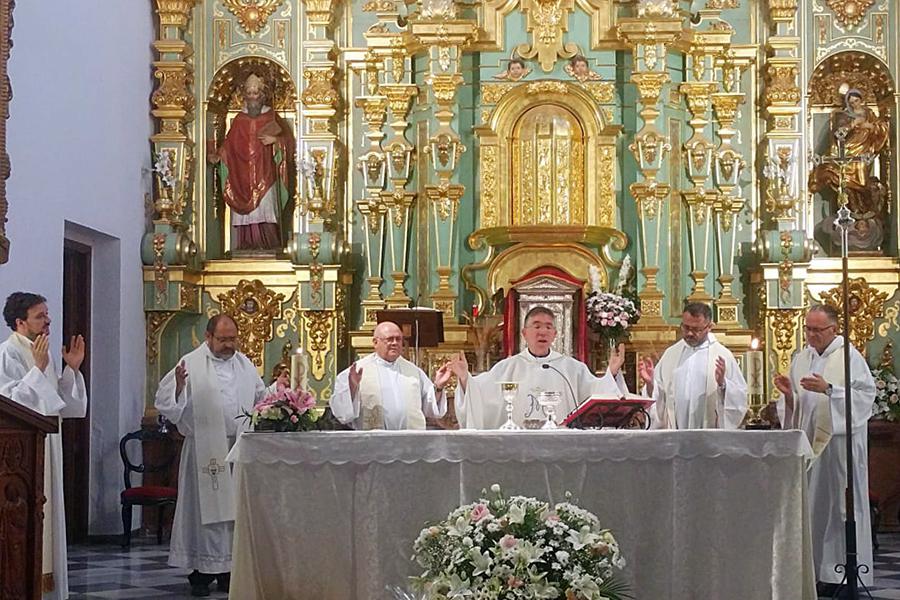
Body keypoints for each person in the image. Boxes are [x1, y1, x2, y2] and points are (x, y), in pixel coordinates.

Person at [155, 314, 266, 597]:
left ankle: (230, 570)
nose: (229, 345)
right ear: (208, 337)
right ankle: (201, 573)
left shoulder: (245, 365)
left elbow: (261, 399)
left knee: (234, 513)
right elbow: (165, 404)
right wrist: (179, 388)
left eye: (233, 339)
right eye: (223, 339)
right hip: (204, 451)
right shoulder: (189, 364)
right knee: (204, 513)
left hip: (239, 448)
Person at [774, 304, 875, 593]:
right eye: (807, 328)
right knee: (812, 508)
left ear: (833, 329)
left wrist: (830, 389)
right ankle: (815, 573)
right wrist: (789, 395)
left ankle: (844, 575)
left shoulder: (849, 358)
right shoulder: (801, 358)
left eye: (817, 330)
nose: (810, 335)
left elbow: (865, 397)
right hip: (810, 447)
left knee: (840, 507)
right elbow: (797, 408)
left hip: (838, 448)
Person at [0, 292, 86, 600]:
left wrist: (71, 370)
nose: (48, 320)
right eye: (40, 316)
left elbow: (60, 406)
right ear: (20, 322)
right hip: (21, 459)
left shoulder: (41, 351)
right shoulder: (7, 354)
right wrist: (37, 370)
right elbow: (8, 405)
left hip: (48, 449)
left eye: (47, 314)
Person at [449, 306, 628, 429]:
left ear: (555, 334)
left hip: (561, 445)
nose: (542, 332)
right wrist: (465, 378)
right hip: (519, 447)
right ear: (524, 333)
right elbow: (478, 393)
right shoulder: (508, 368)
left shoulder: (572, 369)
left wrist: (611, 372)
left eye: (548, 327)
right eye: (536, 326)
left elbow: (596, 394)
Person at [208, 73, 292, 251]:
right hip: (242, 177)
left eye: (256, 93)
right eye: (250, 93)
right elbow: (229, 145)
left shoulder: (272, 117)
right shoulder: (239, 120)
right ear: (244, 96)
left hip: (266, 175)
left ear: (262, 95)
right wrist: (219, 155)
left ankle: (269, 245)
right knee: (246, 215)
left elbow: (289, 145)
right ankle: (246, 245)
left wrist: (276, 142)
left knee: (267, 208)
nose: (253, 97)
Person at [638, 302, 748, 429]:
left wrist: (723, 384)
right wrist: (650, 383)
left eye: (696, 329)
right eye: (686, 327)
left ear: (709, 327)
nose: (689, 333)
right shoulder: (671, 354)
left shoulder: (722, 355)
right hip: (676, 434)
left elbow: (739, 396)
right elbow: (659, 396)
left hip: (709, 435)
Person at [330, 321, 453, 430]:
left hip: (410, 443)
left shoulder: (413, 371)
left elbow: (430, 409)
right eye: (389, 339)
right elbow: (342, 414)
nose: (395, 343)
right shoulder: (357, 370)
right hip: (373, 444)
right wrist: (352, 386)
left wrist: (438, 387)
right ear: (375, 342)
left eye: (398, 339)